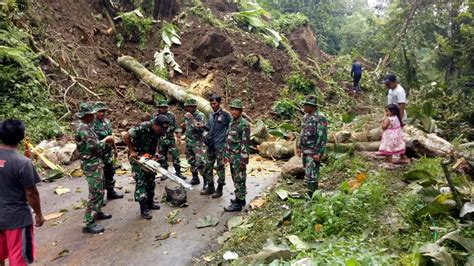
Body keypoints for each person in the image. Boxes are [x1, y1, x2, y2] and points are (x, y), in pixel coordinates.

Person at [0, 119, 44, 266]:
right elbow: (31, 193)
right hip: (16, 220)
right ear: (22, 136)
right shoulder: (22, 162)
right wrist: (38, 214)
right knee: (18, 259)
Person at [75, 103, 114, 234]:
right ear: (86, 116)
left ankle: (97, 212)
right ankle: (88, 222)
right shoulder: (83, 129)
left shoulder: (88, 127)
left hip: (96, 162)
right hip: (90, 164)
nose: (93, 115)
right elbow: (95, 146)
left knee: (100, 188)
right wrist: (106, 141)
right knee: (95, 192)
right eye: (91, 114)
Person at [123, 115, 170, 219]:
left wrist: (156, 153)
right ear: (155, 125)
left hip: (149, 157)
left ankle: (150, 203)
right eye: (161, 128)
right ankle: (143, 208)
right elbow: (126, 136)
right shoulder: (143, 127)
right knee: (141, 181)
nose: (162, 131)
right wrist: (132, 150)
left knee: (150, 180)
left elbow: (157, 140)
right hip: (137, 157)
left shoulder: (160, 130)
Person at [297, 96, 328, 198]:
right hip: (305, 150)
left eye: (306, 105)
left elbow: (322, 136)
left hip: (313, 151)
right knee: (308, 174)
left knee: (312, 175)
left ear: (312, 106)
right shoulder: (306, 117)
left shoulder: (320, 118)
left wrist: (318, 152)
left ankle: (312, 197)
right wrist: (299, 147)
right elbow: (302, 132)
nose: (304, 107)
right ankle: (309, 194)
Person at [200, 95, 231, 198]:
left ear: (219, 103)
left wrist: (228, 141)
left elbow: (231, 128)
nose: (213, 105)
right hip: (211, 145)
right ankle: (210, 186)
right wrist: (203, 126)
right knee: (207, 167)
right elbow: (209, 128)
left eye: (214, 103)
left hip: (220, 146)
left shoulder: (226, 115)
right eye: (211, 104)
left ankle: (220, 189)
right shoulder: (210, 115)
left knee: (220, 167)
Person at [223, 99, 251, 212]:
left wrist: (243, 160)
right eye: (232, 109)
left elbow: (245, 143)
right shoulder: (232, 122)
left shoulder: (244, 124)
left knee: (240, 179)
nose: (233, 112)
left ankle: (238, 204)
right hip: (232, 156)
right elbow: (229, 140)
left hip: (239, 158)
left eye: (236, 110)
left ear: (241, 111)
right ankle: (240, 199)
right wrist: (226, 154)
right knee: (236, 178)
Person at [92, 102, 123, 200]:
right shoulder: (92, 124)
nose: (102, 113)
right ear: (95, 112)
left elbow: (111, 137)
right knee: (99, 176)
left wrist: (115, 149)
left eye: (103, 111)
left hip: (108, 153)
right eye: (99, 111)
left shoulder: (107, 122)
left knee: (110, 172)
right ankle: (100, 198)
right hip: (98, 154)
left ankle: (111, 192)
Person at [154, 99, 185, 179]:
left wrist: (178, 136)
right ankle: (165, 173)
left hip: (171, 139)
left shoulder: (171, 115)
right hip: (161, 140)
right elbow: (154, 127)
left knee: (175, 156)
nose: (164, 109)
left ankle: (178, 172)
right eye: (162, 107)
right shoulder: (155, 116)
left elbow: (176, 126)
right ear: (159, 108)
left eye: (165, 107)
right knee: (162, 158)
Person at [181, 98, 208, 187]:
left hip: (198, 143)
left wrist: (191, 118)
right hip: (189, 142)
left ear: (194, 107)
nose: (187, 109)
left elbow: (201, 129)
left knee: (201, 163)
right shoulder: (187, 115)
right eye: (186, 107)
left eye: (189, 107)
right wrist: (183, 128)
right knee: (191, 161)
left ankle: (206, 182)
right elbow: (187, 127)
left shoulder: (200, 115)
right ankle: (195, 178)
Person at [383, 74, 410, 164]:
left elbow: (402, 106)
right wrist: (386, 115)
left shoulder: (400, 91)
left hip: (398, 116)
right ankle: (396, 155)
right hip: (392, 115)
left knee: (398, 137)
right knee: (393, 136)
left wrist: (400, 119)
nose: (387, 85)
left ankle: (401, 156)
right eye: (386, 84)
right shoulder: (391, 90)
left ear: (394, 82)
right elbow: (389, 105)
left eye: (389, 83)